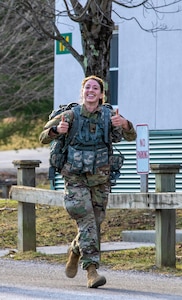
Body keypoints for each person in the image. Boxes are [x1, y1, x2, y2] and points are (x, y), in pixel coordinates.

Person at [39, 75, 137, 288]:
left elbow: (131, 136)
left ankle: (75, 250)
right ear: (82, 92)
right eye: (87, 88)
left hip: (100, 179)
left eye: (95, 88)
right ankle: (91, 270)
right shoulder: (70, 115)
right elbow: (43, 136)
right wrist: (57, 131)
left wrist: (125, 123)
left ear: (101, 95)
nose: (91, 91)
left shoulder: (109, 116)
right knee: (86, 221)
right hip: (75, 179)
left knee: (96, 222)